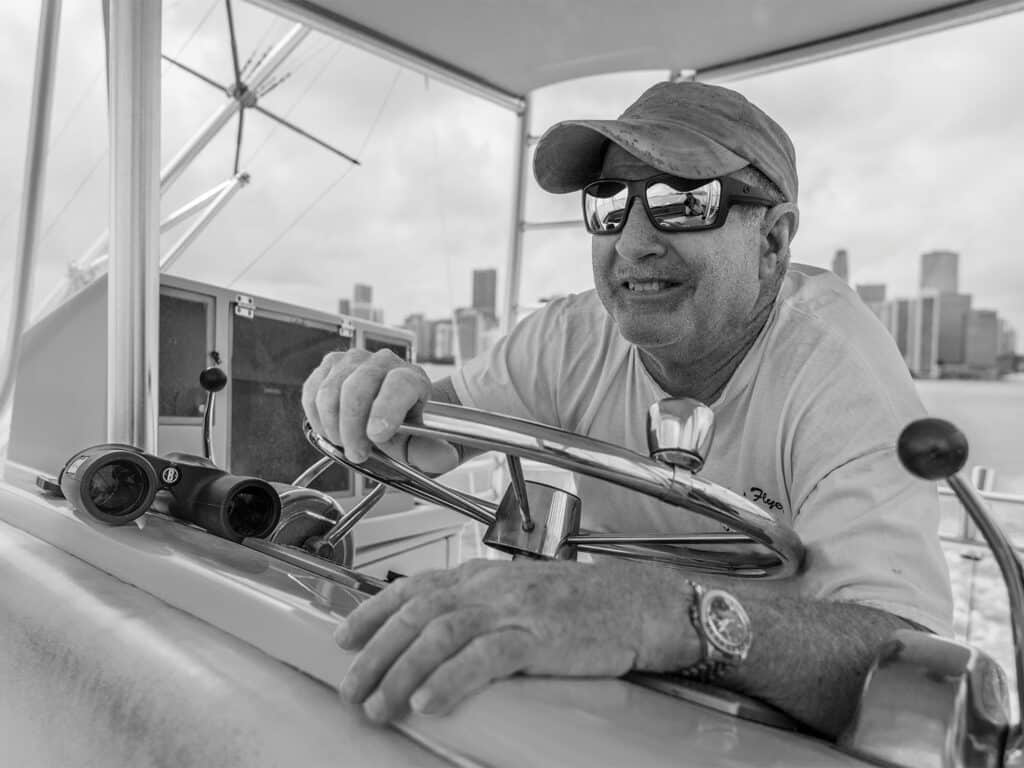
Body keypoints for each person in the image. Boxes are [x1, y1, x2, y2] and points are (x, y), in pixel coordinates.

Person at [301, 80, 952, 738]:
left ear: (774, 242)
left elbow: (907, 667)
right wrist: (375, 395)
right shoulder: (572, 336)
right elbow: (431, 434)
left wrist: (655, 612)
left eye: (683, 201)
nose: (632, 242)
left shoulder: (840, 369)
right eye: (609, 203)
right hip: (603, 709)